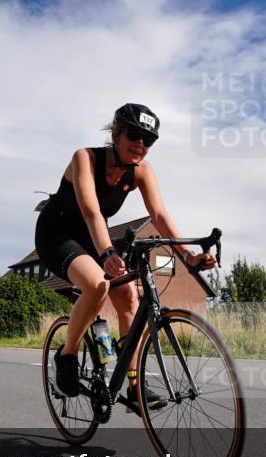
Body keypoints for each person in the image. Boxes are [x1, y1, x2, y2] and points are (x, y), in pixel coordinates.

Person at [35, 103, 216, 413]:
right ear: (116, 134)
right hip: (59, 232)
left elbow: (158, 214)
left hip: (95, 235)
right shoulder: (86, 158)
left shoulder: (140, 171)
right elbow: (91, 210)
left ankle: (134, 386)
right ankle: (66, 355)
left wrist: (187, 256)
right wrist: (107, 253)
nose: (140, 145)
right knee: (97, 285)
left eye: (149, 140)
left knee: (129, 297)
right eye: (133, 135)